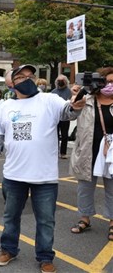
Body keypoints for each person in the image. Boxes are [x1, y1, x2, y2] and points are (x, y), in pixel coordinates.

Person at [0, 64, 85, 273]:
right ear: (11, 83)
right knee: (10, 217)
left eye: (31, 76)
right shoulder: (6, 106)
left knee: (46, 220)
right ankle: (8, 249)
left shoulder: (49, 100)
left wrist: (76, 105)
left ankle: (45, 256)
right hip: (13, 175)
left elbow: (69, 112)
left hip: (44, 177)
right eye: (21, 77)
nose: (28, 79)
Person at [69, 67, 113, 240]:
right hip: (89, 149)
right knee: (85, 187)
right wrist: (78, 94)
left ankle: (112, 221)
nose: (110, 85)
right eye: (107, 81)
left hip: (110, 153)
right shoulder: (86, 99)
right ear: (99, 82)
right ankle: (84, 218)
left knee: (112, 188)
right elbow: (70, 115)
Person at [52, 75, 72, 159]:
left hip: (65, 117)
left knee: (64, 135)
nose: (60, 82)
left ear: (66, 81)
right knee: (54, 135)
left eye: (62, 80)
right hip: (55, 117)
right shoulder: (53, 92)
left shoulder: (70, 92)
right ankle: (55, 152)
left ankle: (63, 153)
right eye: (59, 80)